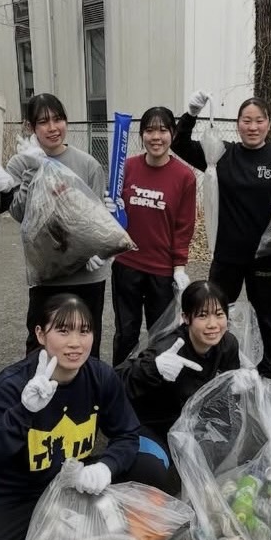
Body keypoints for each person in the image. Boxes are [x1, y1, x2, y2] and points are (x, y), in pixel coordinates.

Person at [0, 294, 172, 540]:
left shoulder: (99, 376)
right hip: (15, 495)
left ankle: (109, 530)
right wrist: (22, 413)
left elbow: (127, 435)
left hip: (73, 483)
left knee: (151, 466)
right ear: (40, 334)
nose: (75, 343)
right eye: (63, 331)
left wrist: (106, 467)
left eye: (84, 331)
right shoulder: (12, 386)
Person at [172, 92, 271, 376]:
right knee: (214, 311)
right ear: (237, 124)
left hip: (266, 255)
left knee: (267, 317)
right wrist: (190, 114)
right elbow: (180, 144)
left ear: (269, 123)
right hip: (227, 254)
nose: (253, 127)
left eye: (259, 121)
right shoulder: (220, 155)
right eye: (247, 121)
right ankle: (210, 367)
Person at [0, 93, 112, 359]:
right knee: (41, 346)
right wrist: (32, 171)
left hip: (87, 275)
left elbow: (98, 220)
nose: (53, 128)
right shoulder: (19, 163)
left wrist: (99, 252)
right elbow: (22, 215)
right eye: (44, 122)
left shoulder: (88, 164)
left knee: (84, 346)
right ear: (31, 127)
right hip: (46, 273)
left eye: (58, 119)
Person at [116, 281, 241, 495]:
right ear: (185, 317)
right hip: (153, 425)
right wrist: (153, 368)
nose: (213, 324)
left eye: (219, 314)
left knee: (236, 445)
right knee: (150, 470)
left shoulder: (228, 344)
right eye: (202, 315)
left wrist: (240, 385)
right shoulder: (168, 349)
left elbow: (227, 395)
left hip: (192, 421)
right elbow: (116, 383)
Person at [110, 106, 197, 365]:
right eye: (149, 130)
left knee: (161, 335)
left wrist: (179, 268)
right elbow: (112, 214)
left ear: (172, 134)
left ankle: (155, 382)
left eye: (162, 130)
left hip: (162, 271)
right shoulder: (127, 167)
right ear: (141, 135)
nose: (156, 137)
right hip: (127, 265)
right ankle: (121, 380)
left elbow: (184, 226)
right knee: (126, 333)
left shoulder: (184, 176)